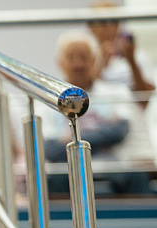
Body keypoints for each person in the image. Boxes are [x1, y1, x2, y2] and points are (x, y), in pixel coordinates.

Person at [41, 30, 154, 194]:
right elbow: (49, 149)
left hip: (114, 169)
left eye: (83, 57)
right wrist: (104, 134)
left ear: (94, 60)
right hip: (67, 173)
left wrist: (70, 141)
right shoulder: (47, 99)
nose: (77, 64)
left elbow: (120, 131)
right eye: (71, 57)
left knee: (138, 176)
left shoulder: (117, 93)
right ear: (60, 63)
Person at [88, 1, 155, 106]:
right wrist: (101, 63)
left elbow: (145, 99)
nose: (109, 27)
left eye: (114, 21)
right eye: (103, 22)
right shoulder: (84, 60)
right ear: (91, 27)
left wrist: (131, 61)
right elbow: (83, 95)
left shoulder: (139, 57)